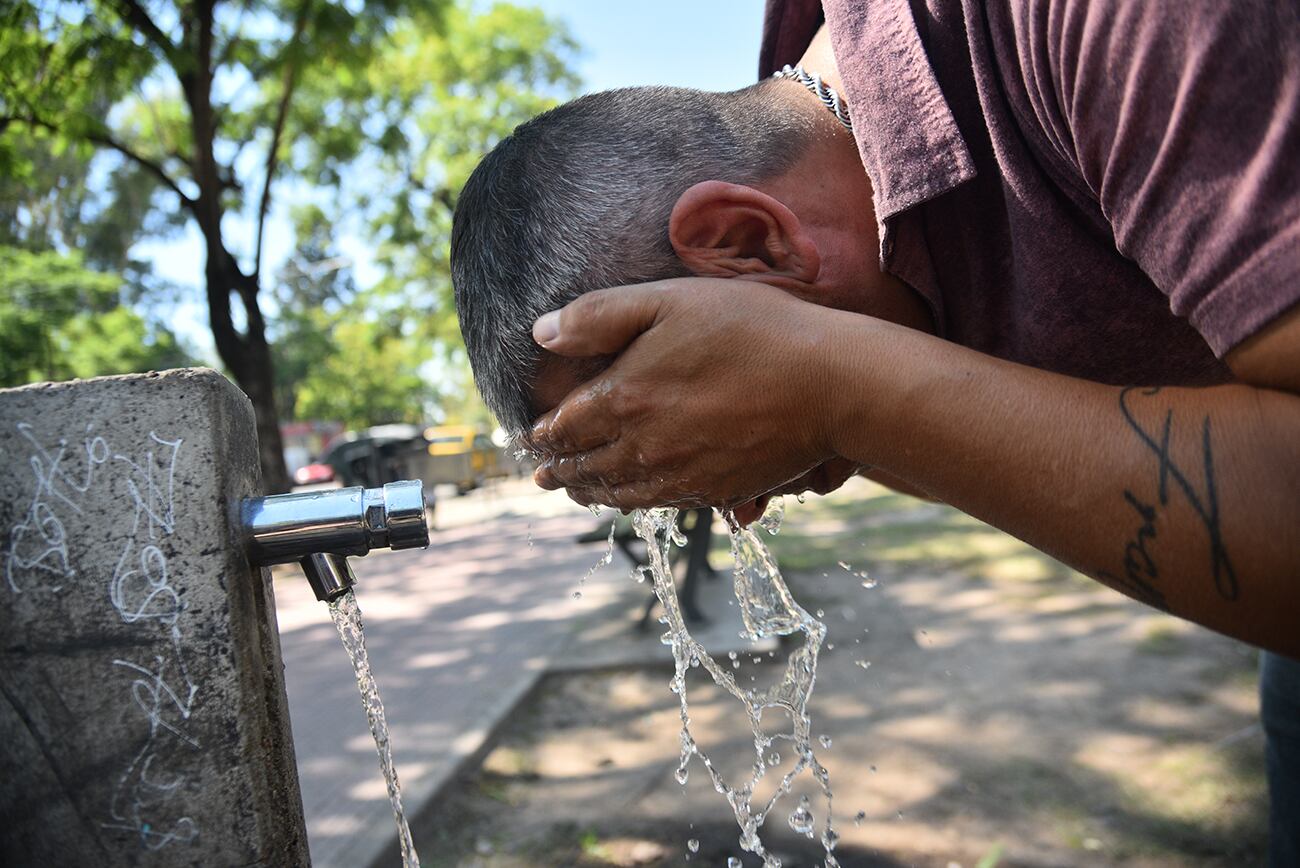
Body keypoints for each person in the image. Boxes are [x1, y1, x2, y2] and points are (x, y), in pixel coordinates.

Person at [450, 0, 1299, 860]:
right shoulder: (839, 172)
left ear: (747, 241)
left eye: (692, 399)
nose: (743, 509)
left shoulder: (1103, 26)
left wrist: (834, 386)